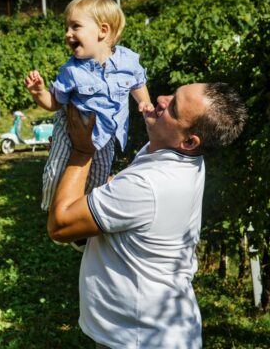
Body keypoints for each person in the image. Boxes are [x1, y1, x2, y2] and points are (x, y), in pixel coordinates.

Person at [47, 82, 247, 348]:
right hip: (146, 332)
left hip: (140, 339)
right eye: (173, 94)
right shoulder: (174, 157)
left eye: (173, 108)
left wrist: (82, 152)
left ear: (188, 141)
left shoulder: (151, 184)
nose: (161, 99)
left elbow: (60, 226)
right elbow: (126, 208)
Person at [24, 0, 153, 251]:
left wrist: (145, 103)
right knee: (55, 169)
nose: (68, 34)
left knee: (98, 178)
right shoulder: (71, 71)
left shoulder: (128, 61)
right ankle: (54, 210)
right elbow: (55, 103)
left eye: (75, 26)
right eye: (67, 28)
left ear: (102, 31)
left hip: (107, 134)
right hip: (70, 131)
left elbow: (137, 82)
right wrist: (39, 92)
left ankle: (81, 221)